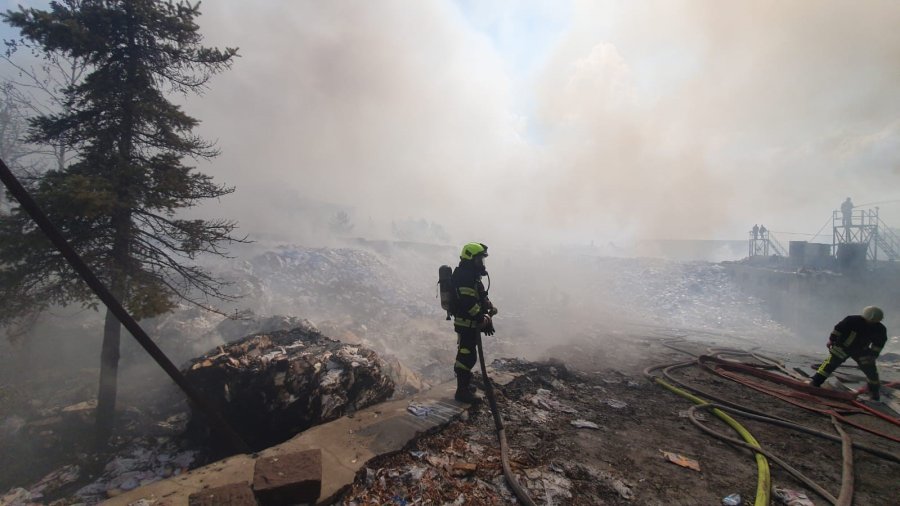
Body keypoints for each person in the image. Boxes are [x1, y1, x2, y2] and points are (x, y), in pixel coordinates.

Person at [450, 242, 497, 403]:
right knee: (466, 356)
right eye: (479, 260)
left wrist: (488, 310)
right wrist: (481, 318)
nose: (481, 264)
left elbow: (481, 296)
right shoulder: (464, 276)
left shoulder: (472, 276)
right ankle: (461, 392)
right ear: (470, 258)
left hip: (470, 322)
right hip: (465, 322)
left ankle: (466, 385)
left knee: (469, 353)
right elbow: (468, 302)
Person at [809, 306, 887, 401]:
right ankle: (815, 383)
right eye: (870, 320)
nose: (871, 322)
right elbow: (838, 329)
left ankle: (874, 394)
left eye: (874, 321)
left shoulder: (880, 329)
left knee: (872, 373)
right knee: (829, 365)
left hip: (862, 351)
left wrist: (873, 355)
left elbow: (878, 344)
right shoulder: (852, 320)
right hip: (843, 347)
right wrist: (831, 340)